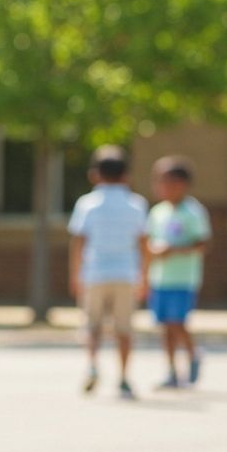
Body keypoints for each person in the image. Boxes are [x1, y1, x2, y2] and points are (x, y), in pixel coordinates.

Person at [67, 146, 148, 399]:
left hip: (95, 272)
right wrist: (144, 275)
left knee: (92, 325)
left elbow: (79, 242)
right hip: (126, 273)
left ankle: (92, 365)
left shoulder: (87, 204)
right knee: (124, 329)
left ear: (94, 174)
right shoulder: (136, 204)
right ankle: (123, 377)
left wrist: (75, 274)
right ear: (126, 175)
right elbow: (143, 243)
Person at [143, 156, 211, 388]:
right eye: (159, 182)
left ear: (182, 184)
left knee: (177, 322)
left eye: (167, 182)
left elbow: (202, 244)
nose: (162, 187)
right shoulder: (158, 212)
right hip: (159, 277)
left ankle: (193, 354)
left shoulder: (193, 212)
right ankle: (171, 371)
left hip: (183, 278)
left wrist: (174, 250)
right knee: (165, 327)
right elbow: (148, 243)